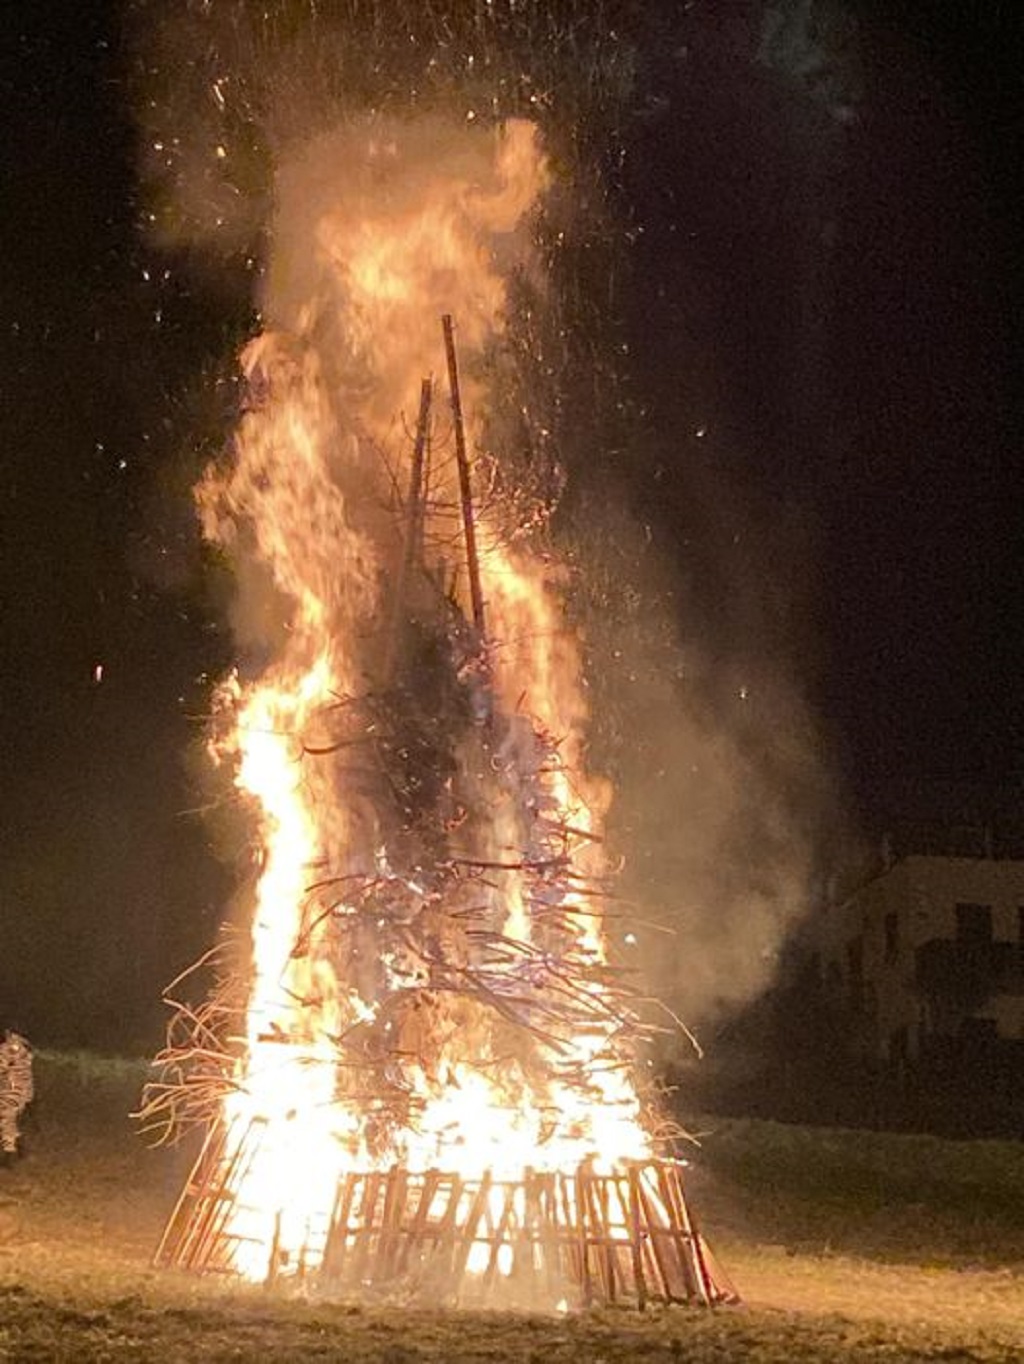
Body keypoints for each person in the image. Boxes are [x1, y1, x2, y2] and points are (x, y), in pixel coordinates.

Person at [0, 1030, 34, 1161]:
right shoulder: (21, 1043)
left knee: (5, 1118)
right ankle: (21, 1149)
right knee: (8, 1120)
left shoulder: (8, 1048)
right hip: (23, 1089)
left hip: (13, 1089)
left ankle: (10, 1154)